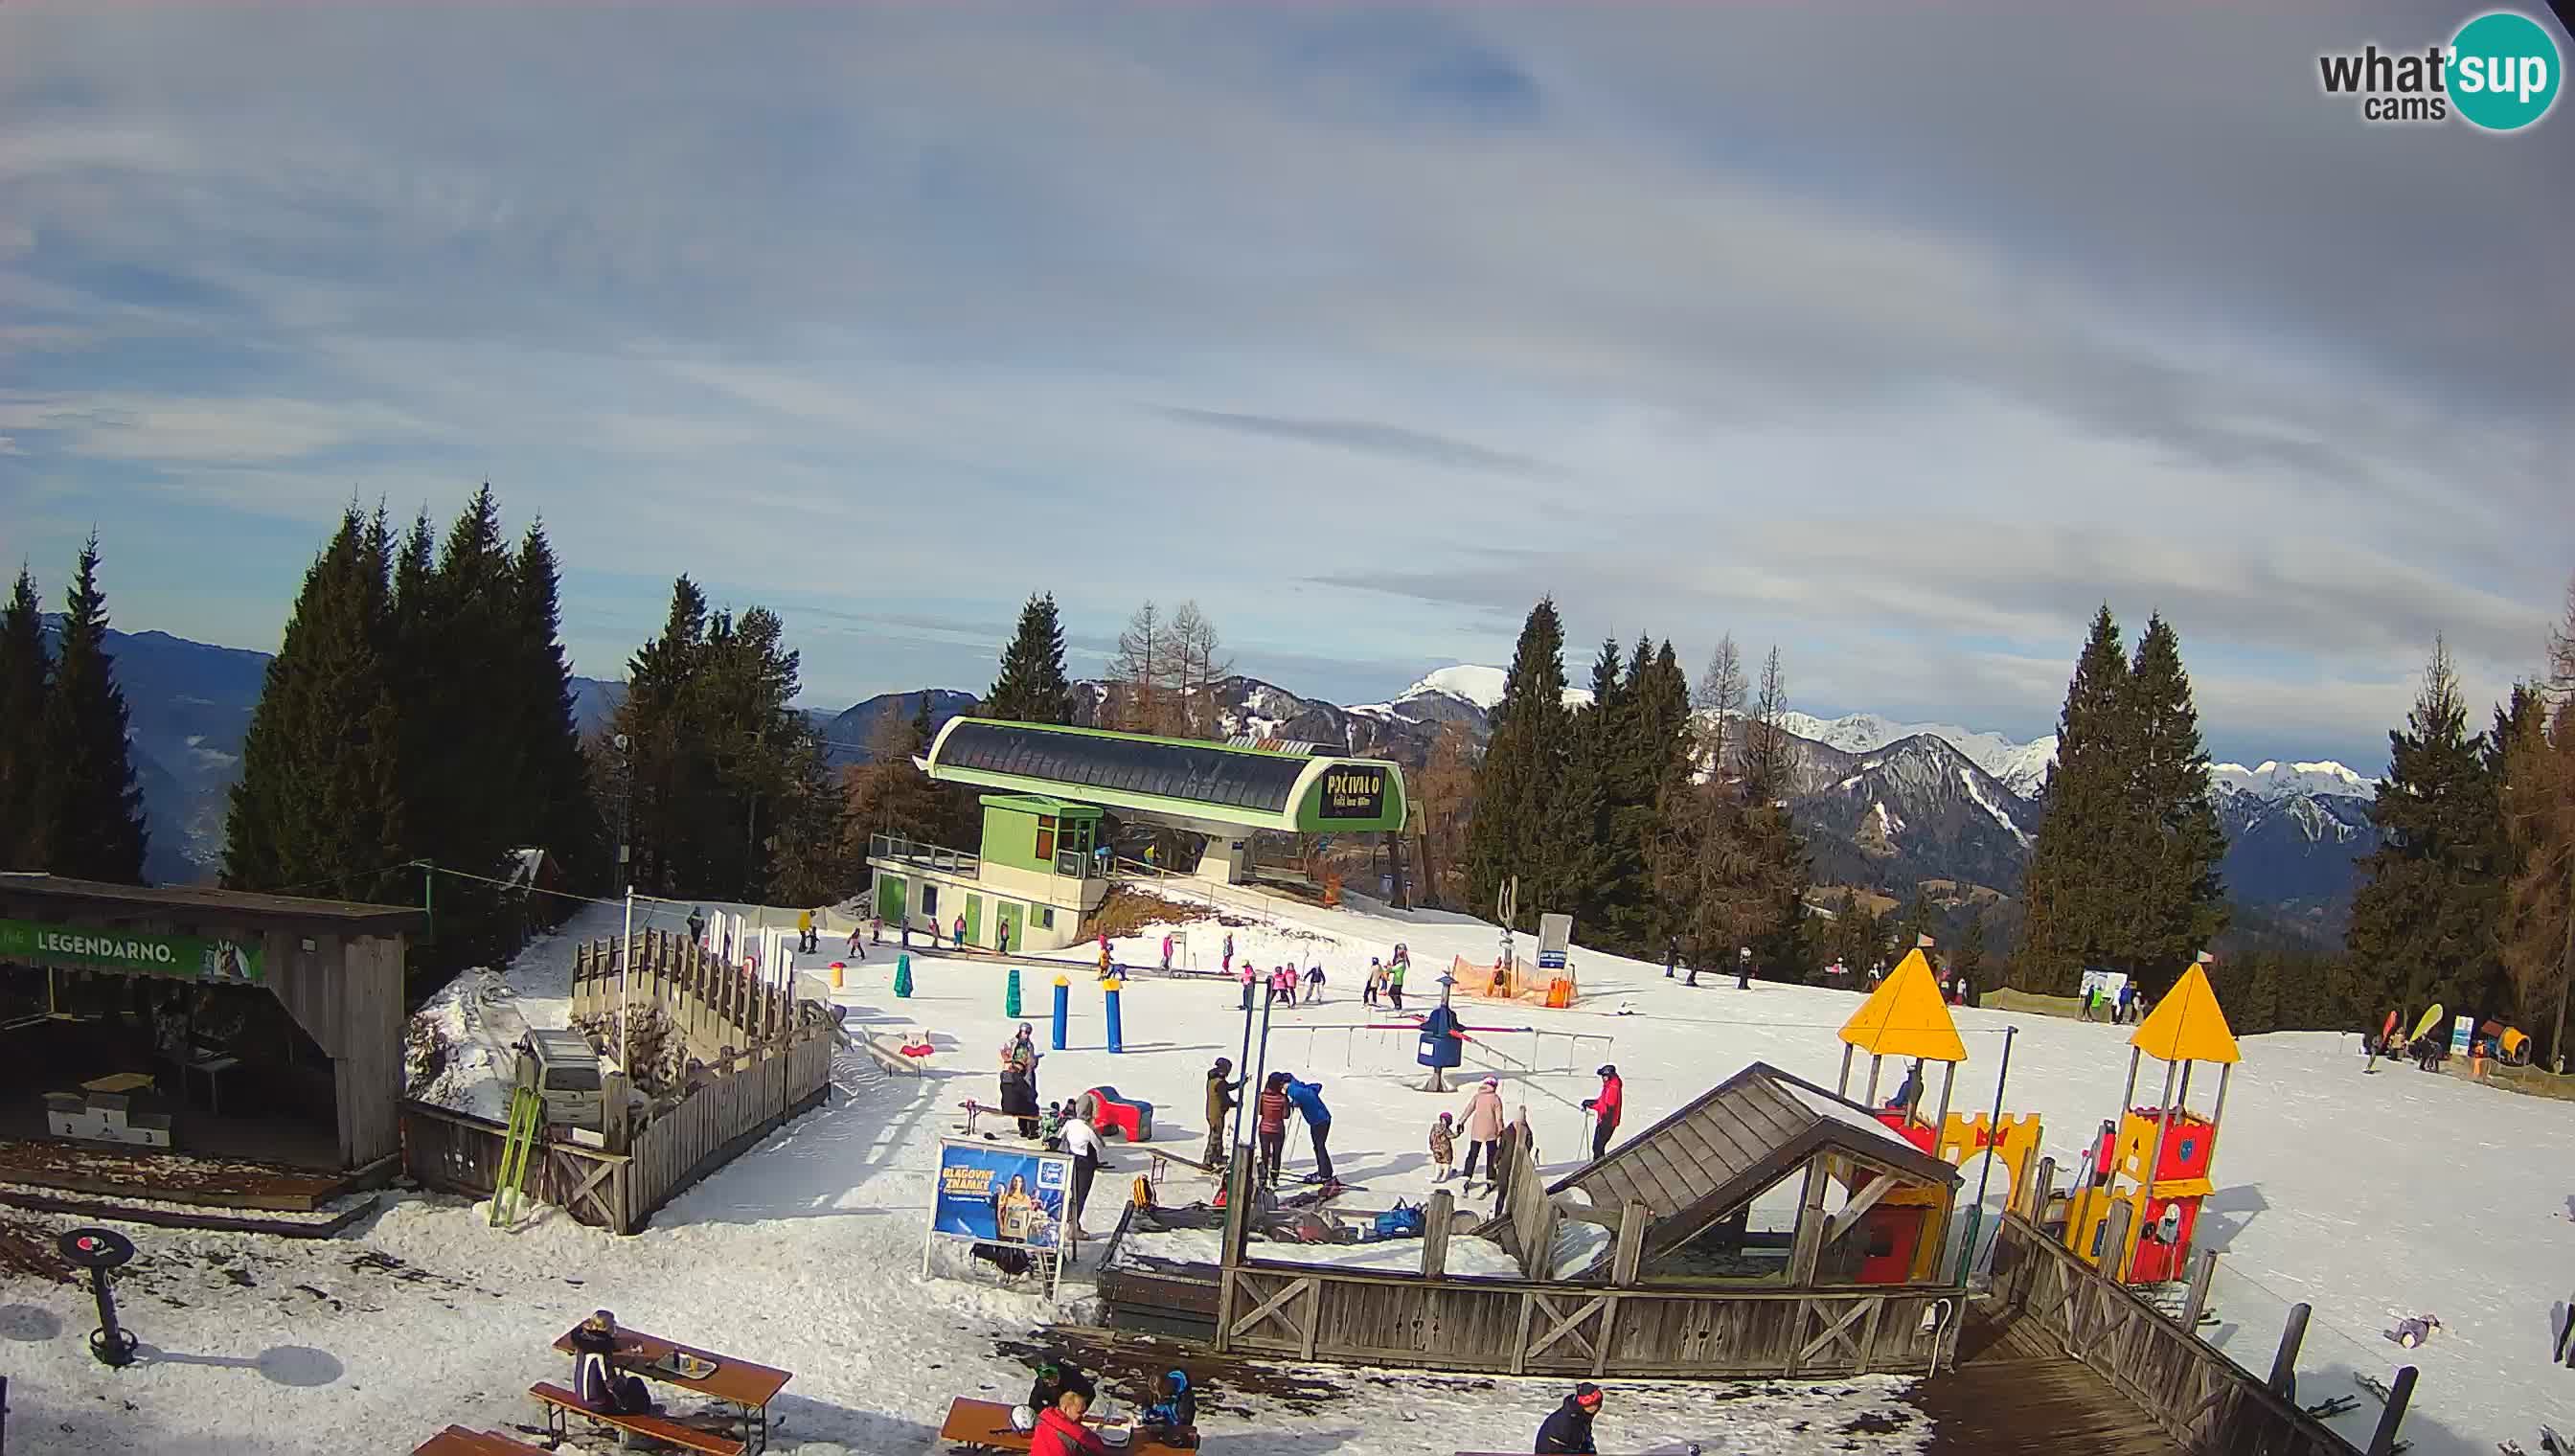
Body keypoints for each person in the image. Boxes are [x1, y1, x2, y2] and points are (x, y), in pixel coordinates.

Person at [569, 1310, 656, 1418]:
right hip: (597, 1403)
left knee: (629, 1386)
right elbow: (611, 1383)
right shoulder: (599, 1352)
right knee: (635, 1383)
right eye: (612, 1326)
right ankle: (646, 1413)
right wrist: (622, 1382)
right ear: (606, 1328)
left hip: (582, 1396)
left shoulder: (584, 1342)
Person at [1060, 1104, 1110, 1252]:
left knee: (1072, 1193)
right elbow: (1100, 1146)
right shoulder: (1088, 1128)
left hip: (1071, 1160)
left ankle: (1069, 1222)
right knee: (1081, 1195)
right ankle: (1073, 1227)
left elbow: (1060, 1136)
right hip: (1085, 1164)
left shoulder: (1069, 1123)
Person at [1033, 1372, 1111, 1456]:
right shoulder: (1077, 1432)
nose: (1081, 1416)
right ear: (1066, 1408)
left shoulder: (1045, 1417)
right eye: (1079, 1412)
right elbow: (1098, 1447)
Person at [1285, 1076, 1335, 1187]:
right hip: (1322, 1119)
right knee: (1319, 1147)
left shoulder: (1294, 1091)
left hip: (1318, 1121)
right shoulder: (1300, 1088)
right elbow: (1317, 1086)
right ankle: (1325, 1171)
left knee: (1319, 1147)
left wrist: (1294, 1103)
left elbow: (1298, 1100)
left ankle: (1324, 1174)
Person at [1460, 1076, 1505, 1187]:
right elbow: (1498, 1118)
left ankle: (1467, 1175)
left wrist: (1461, 1121)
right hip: (1491, 1132)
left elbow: (1468, 1110)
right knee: (1491, 1155)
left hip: (1477, 1131)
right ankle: (1491, 1177)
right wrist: (1501, 1130)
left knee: (1473, 1153)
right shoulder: (1495, 1099)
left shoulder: (1477, 1097)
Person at [1535, 1383, 1604, 1454]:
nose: (1597, 1408)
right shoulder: (1567, 1420)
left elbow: (1585, 1440)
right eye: (1595, 1405)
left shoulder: (1582, 1414)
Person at [1255, 1073, 1292, 1189]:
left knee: (1265, 1154)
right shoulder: (1282, 1098)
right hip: (1278, 1130)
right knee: (1277, 1155)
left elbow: (1259, 1111)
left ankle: (1263, 1178)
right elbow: (1286, 1115)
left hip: (1264, 1129)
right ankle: (1274, 1179)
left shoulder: (1262, 1096)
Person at [1203, 1058, 1242, 1170]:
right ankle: (1209, 1159)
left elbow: (1227, 1087)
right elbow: (1225, 1099)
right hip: (1216, 1113)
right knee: (1215, 1137)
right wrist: (1236, 1104)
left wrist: (1239, 1084)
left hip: (1212, 1112)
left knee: (1217, 1135)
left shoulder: (1214, 1079)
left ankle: (1217, 1156)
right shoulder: (1219, 1083)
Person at [1139, 1369, 1196, 1444]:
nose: (1159, 1397)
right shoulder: (1158, 1387)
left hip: (1175, 1437)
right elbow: (1147, 1404)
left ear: (1166, 1385)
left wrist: (1164, 1423)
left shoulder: (1185, 1399)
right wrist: (1146, 1413)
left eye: (1161, 1393)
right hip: (1158, 1431)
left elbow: (1183, 1424)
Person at [1583, 1064, 1624, 1161]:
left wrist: (1604, 1121)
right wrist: (1591, 1103)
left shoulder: (1613, 1088)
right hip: (1605, 1120)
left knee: (1598, 1148)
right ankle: (1599, 1164)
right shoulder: (1609, 1086)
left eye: (1604, 1076)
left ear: (1609, 1076)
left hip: (1607, 1122)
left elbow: (1608, 1107)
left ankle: (1598, 1166)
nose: (1602, 1078)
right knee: (1598, 1147)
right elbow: (1602, 1103)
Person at [1429, 1110, 1456, 1183]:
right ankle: (1444, 1176)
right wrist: (1459, 1132)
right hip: (1445, 1149)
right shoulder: (1446, 1130)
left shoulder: (1435, 1127)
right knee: (1446, 1162)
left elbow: (1431, 1137)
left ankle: (1438, 1175)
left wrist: (1431, 1145)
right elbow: (1452, 1136)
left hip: (1436, 1147)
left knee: (1438, 1161)